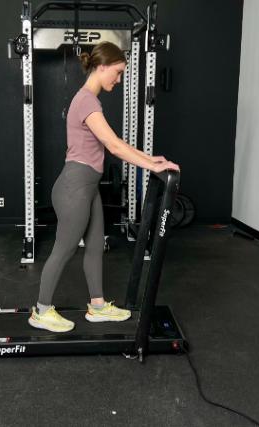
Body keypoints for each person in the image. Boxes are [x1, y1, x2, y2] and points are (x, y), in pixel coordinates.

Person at [29, 42, 180, 332]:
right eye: (118, 72)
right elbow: (113, 144)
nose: (119, 79)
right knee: (64, 249)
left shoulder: (88, 99)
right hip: (75, 187)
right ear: (102, 66)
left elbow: (113, 145)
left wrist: (152, 159)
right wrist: (152, 165)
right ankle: (41, 311)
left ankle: (97, 307)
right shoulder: (87, 100)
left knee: (96, 245)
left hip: (87, 186)